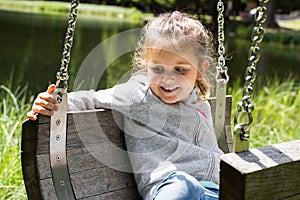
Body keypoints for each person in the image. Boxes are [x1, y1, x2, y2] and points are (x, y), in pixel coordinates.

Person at [27, 11, 223, 200]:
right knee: (184, 186)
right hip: (170, 186)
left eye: (180, 69)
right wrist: (51, 102)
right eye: (158, 68)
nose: (168, 78)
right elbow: (89, 99)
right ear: (146, 64)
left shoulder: (200, 103)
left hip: (214, 190)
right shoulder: (136, 96)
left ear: (200, 69)